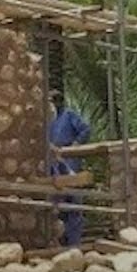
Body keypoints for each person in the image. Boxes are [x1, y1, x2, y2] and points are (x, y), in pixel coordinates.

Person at [47, 90, 91, 248]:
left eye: (53, 102)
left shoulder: (69, 115)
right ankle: (60, 240)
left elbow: (85, 129)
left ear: (59, 102)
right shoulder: (49, 119)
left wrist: (76, 144)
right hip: (54, 160)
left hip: (69, 158)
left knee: (73, 198)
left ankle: (74, 242)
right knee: (57, 199)